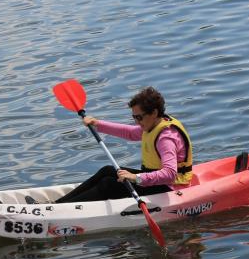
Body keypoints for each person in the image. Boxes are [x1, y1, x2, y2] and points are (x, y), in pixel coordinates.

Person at [54, 86, 193, 203]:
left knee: (108, 184)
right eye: (134, 117)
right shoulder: (153, 124)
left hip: (170, 186)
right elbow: (131, 133)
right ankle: (57, 204)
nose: (136, 121)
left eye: (139, 117)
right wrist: (98, 124)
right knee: (108, 170)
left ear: (154, 112)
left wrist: (135, 177)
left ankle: (60, 209)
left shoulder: (166, 138)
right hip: (155, 180)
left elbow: (169, 174)